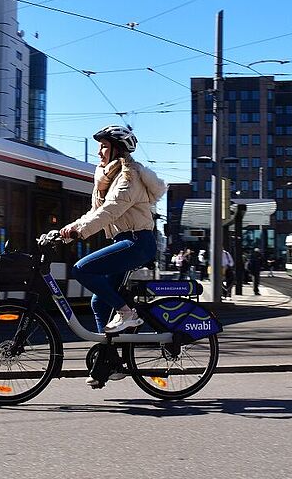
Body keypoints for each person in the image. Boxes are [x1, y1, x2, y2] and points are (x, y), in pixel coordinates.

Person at [59, 125, 165, 386]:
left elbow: (110, 212)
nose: (99, 151)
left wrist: (78, 232)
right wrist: (63, 230)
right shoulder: (109, 177)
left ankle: (127, 313)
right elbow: (96, 212)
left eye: (104, 146)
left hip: (137, 242)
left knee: (82, 269)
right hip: (125, 241)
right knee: (98, 303)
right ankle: (112, 364)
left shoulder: (129, 177)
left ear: (118, 149)